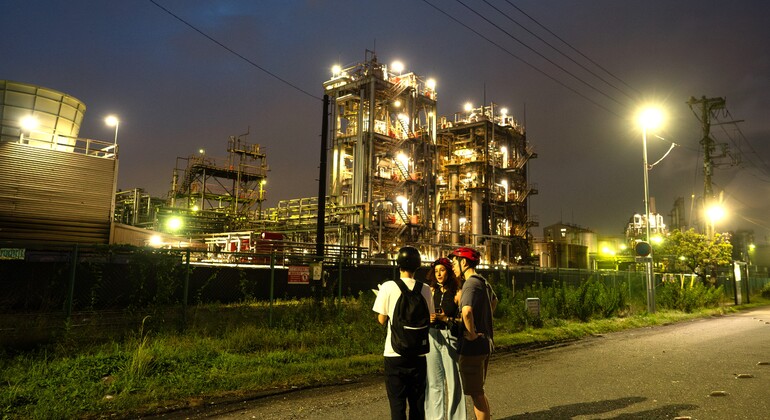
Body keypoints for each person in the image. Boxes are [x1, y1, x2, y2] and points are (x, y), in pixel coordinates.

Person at [373, 246, 435, 420]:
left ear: (398, 264)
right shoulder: (425, 289)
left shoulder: (388, 286)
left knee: (397, 404)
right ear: (418, 266)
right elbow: (429, 318)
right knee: (417, 403)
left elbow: (381, 320)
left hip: (394, 353)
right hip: (419, 353)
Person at [450, 247, 497, 420]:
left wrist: (471, 333)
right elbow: (494, 302)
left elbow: (467, 311)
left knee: (476, 394)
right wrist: (483, 321)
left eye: (455, 263)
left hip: (473, 347)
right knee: (479, 391)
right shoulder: (483, 281)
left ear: (464, 262)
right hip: (485, 344)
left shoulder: (469, 283)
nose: (453, 267)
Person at [425, 257, 467, 420]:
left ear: (449, 272)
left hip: (450, 336)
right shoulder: (431, 291)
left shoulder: (457, 292)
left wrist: (445, 319)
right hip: (432, 336)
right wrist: (428, 318)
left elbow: (464, 319)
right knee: (434, 381)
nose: (438, 274)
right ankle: (435, 417)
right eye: (436, 271)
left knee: (454, 380)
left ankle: (456, 417)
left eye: (442, 270)